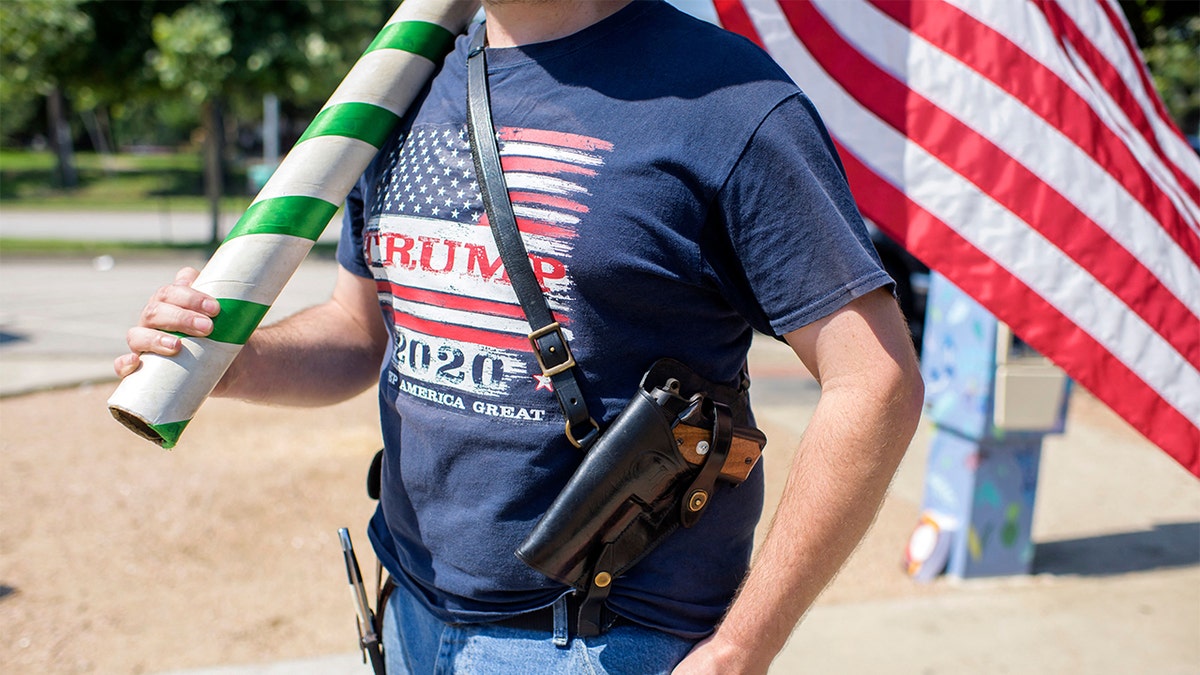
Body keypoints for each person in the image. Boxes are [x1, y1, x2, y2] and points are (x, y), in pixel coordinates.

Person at [115, 1, 924, 672]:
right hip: (407, 611)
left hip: (604, 640)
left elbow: (875, 382)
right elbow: (359, 333)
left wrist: (743, 646)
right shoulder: (398, 88)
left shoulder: (731, 105)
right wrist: (237, 362)